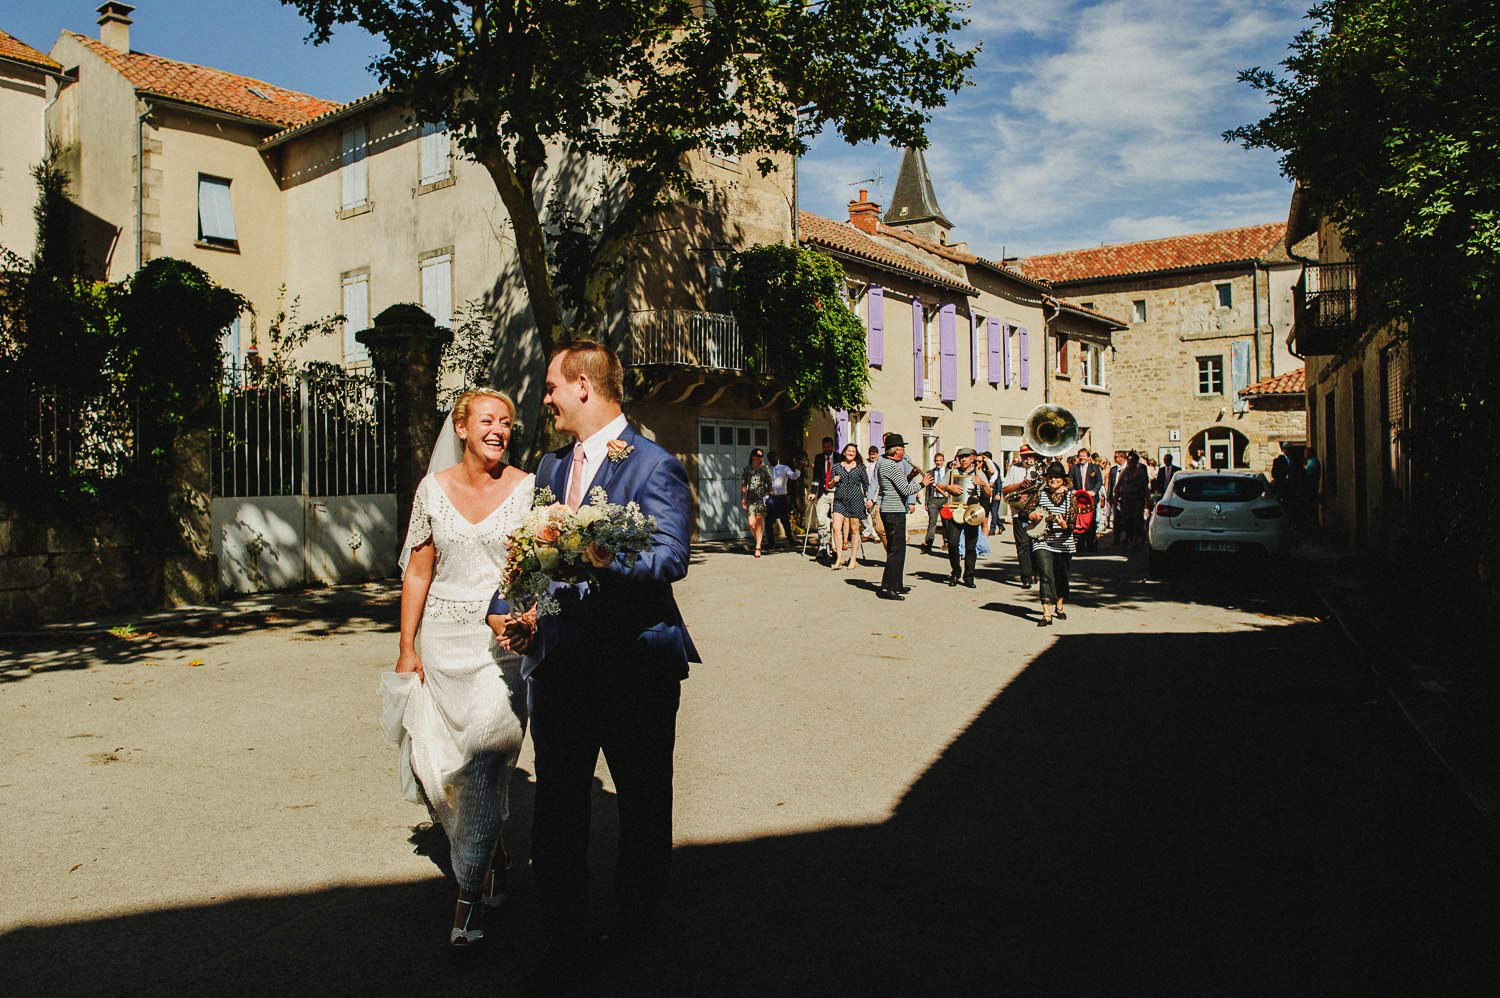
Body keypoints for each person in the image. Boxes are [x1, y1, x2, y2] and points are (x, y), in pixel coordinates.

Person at [513, 340, 698, 961]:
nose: (545, 399)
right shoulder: (548, 467)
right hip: (562, 664)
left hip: (633, 666)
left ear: (584, 387)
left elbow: (672, 555)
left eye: (551, 387)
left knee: (642, 807)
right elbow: (533, 555)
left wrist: (603, 552)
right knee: (557, 805)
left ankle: (638, 934)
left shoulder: (653, 465)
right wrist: (511, 608)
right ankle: (560, 932)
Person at [386, 388, 533, 948]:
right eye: (488, 420)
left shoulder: (525, 490)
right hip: (442, 644)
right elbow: (419, 573)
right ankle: (491, 851)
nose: (499, 429)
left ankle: (466, 903)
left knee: (485, 755)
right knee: (442, 768)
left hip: (502, 650)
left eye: (507, 422)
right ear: (463, 428)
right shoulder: (432, 490)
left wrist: (525, 619)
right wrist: (407, 648)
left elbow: (532, 571)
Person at [874, 434, 932, 600]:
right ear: (895, 451)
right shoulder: (890, 465)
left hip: (892, 509)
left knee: (898, 549)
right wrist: (923, 484)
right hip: (893, 511)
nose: (904, 452)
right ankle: (888, 587)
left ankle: (896, 584)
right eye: (902, 448)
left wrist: (912, 476)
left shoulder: (888, 464)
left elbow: (898, 484)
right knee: (896, 550)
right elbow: (906, 490)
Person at [935, 447, 992, 588]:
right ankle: (955, 572)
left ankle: (969, 576)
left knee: (971, 547)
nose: (964, 460)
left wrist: (983, 484)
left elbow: (989, 493)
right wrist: (949, 488)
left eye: (966, 457)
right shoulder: (952, 472)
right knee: (953, 544)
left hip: (972, 514)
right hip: (956, 512)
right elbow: (938, 486)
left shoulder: (979, 473)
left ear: (972, 458)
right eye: (961, 457)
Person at [1029, 461, 1076, 626]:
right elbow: (1024, 512)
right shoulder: (1039, 494)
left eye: (1056, 477)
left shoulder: (1071, 496)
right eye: (1050, 477)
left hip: (1063, 542)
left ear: (1063, 479)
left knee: (1061, 575)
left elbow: (1072, 524)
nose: (1053, 479)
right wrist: (1031, 516)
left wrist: (1064, 525)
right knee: (1045, 573)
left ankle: (1059, 605)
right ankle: (1046, 613)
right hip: (1042, 540)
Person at [828, 442, 872, 570]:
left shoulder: (860, 467)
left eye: (853, 451)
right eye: (849, 451)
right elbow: (829, 485)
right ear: (844, 453)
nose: (851, 453)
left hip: (856, 500)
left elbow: (866, 485)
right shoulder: (836, 467)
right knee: (836, 527)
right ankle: (839, 558)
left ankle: (853, 559)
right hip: (839, 500)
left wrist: (869, 499)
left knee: (855, 529)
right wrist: (833, 481)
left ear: (855, 454)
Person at [1001, 446, 1038, 588]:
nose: (1027, 459)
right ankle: (1026, 577)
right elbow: (1005, 488)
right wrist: (1020, 485)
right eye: (1024, 456)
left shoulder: (1039, 469)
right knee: (1022, 545)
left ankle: (1036, 571)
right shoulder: (1014, 469)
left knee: (1035, 543)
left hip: (1035, 512)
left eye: (1030, 455)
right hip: (1018, 512)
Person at [1114, 450, 1150, 548]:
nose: (1129, 462)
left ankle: (1138, 539)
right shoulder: (1124, 472)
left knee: (1138, 520)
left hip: (1137, 499)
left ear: (1136, 461)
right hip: (1126, 499)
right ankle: (1128, 538)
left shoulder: (1141, 472)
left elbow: (1145, 487)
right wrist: (1115, 497)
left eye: (1132, 460)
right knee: (1127, 520)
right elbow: (1118, 485)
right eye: (1128, 460)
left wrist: (1148, 500)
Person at [740, 449, 772, 557]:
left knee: (759, 523)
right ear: (753, 456)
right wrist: (743, 499)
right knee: (751, 524)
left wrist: (770, 493)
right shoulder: (747, 469)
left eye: (761, 456)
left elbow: (769, 482)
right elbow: (744, 485)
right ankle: (758, 539)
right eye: (758, 455)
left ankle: (758, 546)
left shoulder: (765, 469)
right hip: (750, 499)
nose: (760, 457)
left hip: (761, 498)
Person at [765, 451, 800, 548]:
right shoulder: (766, 469)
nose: (772, 459)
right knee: (768, 521)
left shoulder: (784, 468)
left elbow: (793, 476)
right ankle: (770, 542)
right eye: (770, 458)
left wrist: (798, 469)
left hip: (782, 497)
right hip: (771, 497)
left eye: (774, 457)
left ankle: (790, 539)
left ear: (777, 457)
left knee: (784, 519)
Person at [810, 437, 837, 556]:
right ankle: (822, 546)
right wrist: (813, 492)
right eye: (824, 446)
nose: (827, 448)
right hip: (823, 493)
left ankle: (835, 547)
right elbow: (815, 476)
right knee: (821, 519)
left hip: (836, 493)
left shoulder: (839, 457)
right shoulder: (819, 458)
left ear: (832, 446)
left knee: (835, 522)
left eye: (828, 446)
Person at [920, 451, 949, 553]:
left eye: (940, 461)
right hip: (933, 500)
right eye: (937, 461)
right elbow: (927, 489)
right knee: (932, 522)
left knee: (946, 522)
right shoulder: (930, 472)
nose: (938, 463)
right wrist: (926, 502)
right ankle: (928, 543)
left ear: (943, 461)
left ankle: (946, 542)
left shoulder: (948, 472)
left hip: (945, 500)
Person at [863, 445, 885, 548]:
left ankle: (876, 535)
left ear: (877, 454)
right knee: (865, 513)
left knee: (874, 514)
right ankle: (868, 531)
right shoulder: (866, 464)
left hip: (876, 492)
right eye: (871, 454)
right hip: (866, 490)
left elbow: (877, 480)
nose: (872, 456)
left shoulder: (879, 464)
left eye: (874, 454)